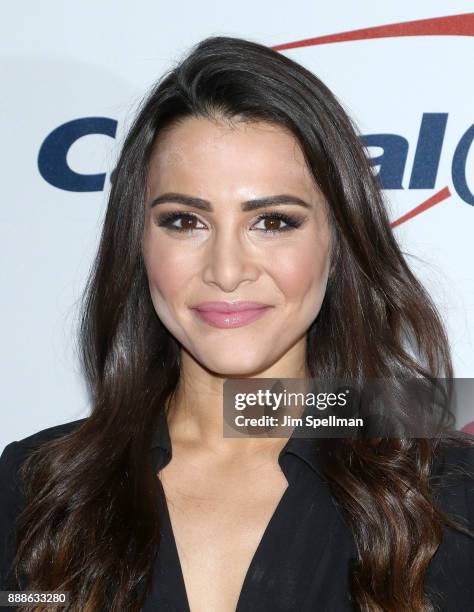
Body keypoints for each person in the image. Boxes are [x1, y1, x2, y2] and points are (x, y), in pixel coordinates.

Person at [1, 35, 473, 612]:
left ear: (339, 242)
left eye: (273, 222)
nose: (227, 271)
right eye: (184, 221)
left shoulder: (447, 494)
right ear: (139, 242)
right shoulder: (37, 487)